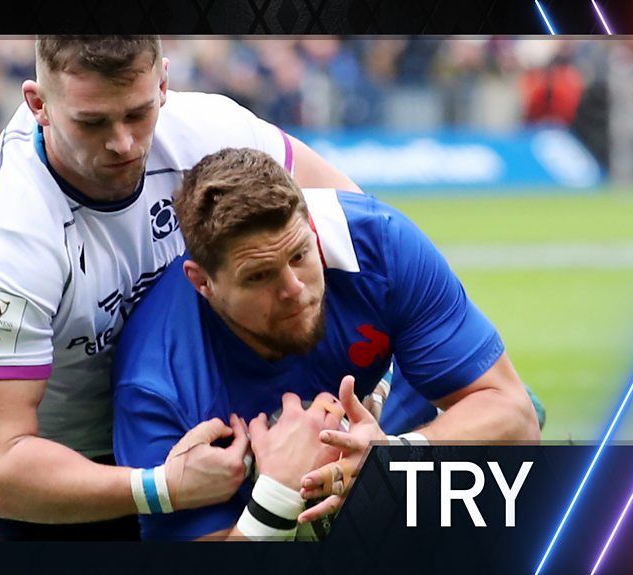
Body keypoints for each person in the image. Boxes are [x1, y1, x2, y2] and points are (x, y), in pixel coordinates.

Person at [0, 36, 361, 541]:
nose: (123, 142)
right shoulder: (5, 233)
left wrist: (369, 403)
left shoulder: (213, 132)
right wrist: (162, 488)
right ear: (39, 104)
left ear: (164, 83)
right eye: (92, 122)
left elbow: (359, 228)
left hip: (161, 445)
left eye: (138, 113)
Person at [112, 148, 541, 541]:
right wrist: (278, 494)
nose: (294, 289)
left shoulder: (377, 242)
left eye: (299, 255)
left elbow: (516, 418)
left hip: (404, 429)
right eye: (259, 276)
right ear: (202, 281)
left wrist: (391, 458)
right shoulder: (156, 382)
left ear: (312, 229)